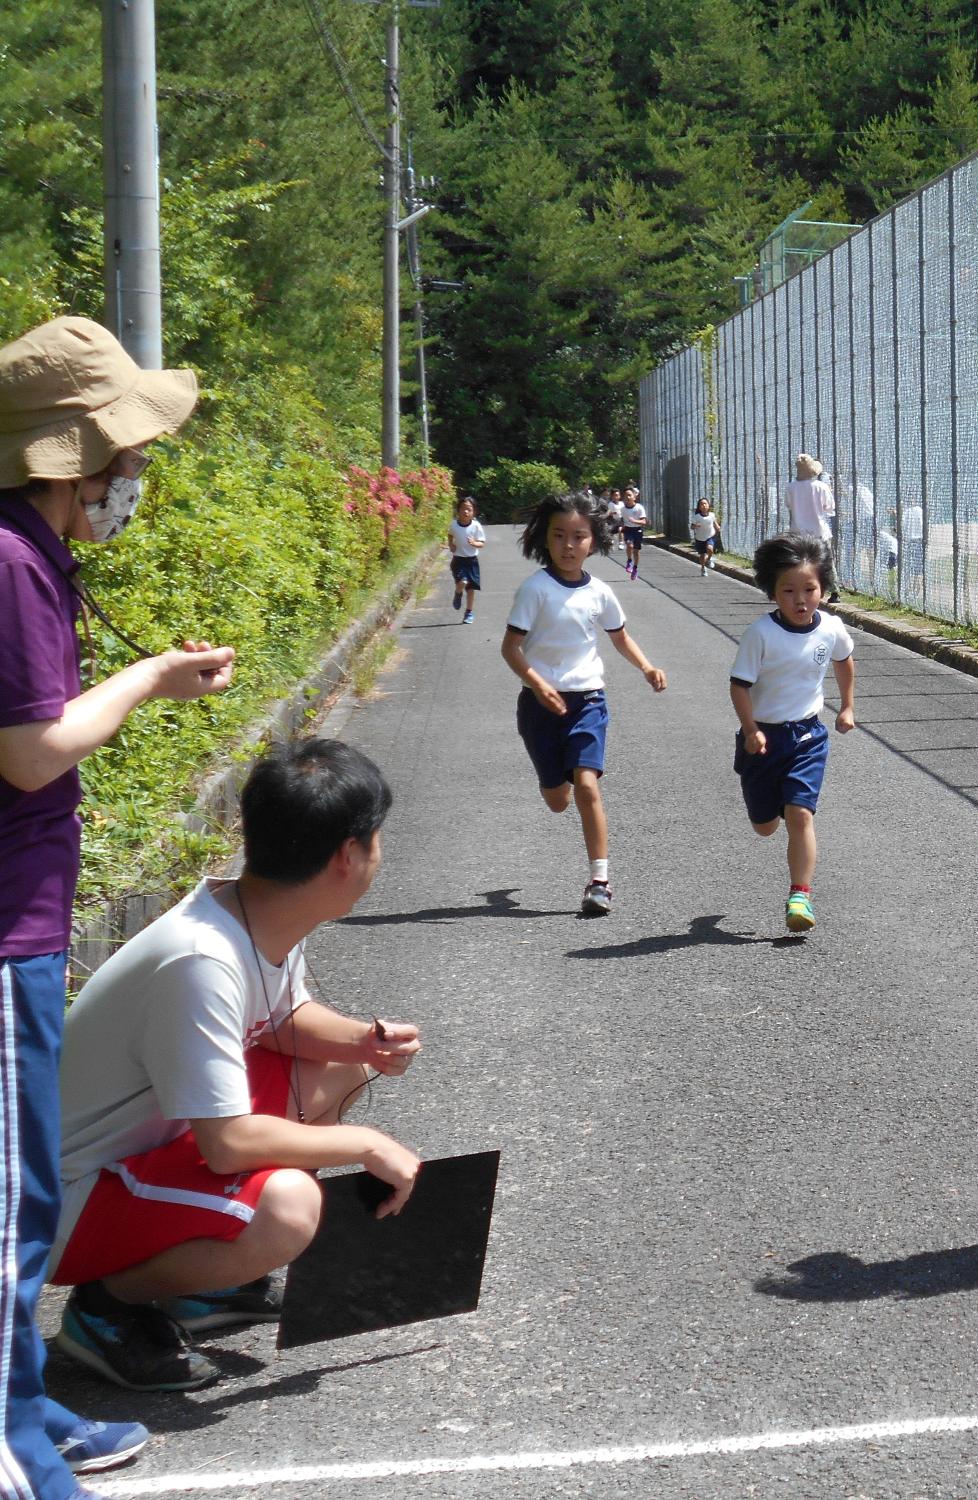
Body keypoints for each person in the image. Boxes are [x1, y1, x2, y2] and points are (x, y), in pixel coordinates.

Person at [0, 315, 239, 1491]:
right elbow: (33, 752)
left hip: (25, 918)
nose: (133, 476)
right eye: (126, 455)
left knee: (27, 1191)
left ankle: (26, 1415)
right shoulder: (4, 559)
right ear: (75, 454)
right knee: (8, 1207)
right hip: (2, 924)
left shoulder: (27, 553)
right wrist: (150, 676)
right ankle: (11, 1452)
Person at [49, 740, 422, 1397]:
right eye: (377, 839)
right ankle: (105, 1310)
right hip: (68, 1200)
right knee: (289, 1209)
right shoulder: (202, 959)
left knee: (339, 1070)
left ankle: (204, 1283)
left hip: (144, 1155)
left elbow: (279, 1020)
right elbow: (227, 1146)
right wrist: (366, 1144)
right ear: (348, 856)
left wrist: (364, 1044)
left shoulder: (253, 912)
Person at [502, 492, 667, 918]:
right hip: (539, 706)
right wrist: (537, 685)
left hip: (589, 700)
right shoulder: (535, 589)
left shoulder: (600, 592)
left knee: (588, 786)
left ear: (594, 540)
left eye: (578, 536)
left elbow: (619, 637)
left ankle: (600, 881)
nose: (568, 545)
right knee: (558, 799)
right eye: (559, 535)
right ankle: (553, 783)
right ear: (545, 539)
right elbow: (511, 648)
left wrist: (647, 667)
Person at [730, 533, 857, 933]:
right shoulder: (760, 634)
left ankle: (800, 894)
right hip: (762, 739)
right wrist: (750, 730)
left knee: (800, 814)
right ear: (772, 592)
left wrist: (848, 705)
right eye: (788, 591)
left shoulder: (831, 628)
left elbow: (845, 660)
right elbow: (739, 686)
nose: (800, 600)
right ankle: (771, 812)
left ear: (823, 589)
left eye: (809, 589)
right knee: (765, 825)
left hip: (808, 736)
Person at [786, 455, 838, 602]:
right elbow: (829, 507)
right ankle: (834, 591)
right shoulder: (821, 486)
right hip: (819, 530)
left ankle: (804, 589)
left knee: (801, 562)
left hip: (798, 532)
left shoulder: (791, 487)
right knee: (827, 560)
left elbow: (789, 505)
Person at [446, 495, 485, 623]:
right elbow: (450, 535)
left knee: (471, 588)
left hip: (472, 561)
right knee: (462, 582)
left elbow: (482, 543)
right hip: (458, 560)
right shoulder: (454, 525)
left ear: (474, 512)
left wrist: (474, 543)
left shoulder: (476, 526)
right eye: (463, 508)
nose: (466, 511)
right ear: (458, 510)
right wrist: (451, 544)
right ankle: (458, 593)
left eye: (469, 509)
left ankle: (469, 612)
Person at [618, 487, 647, 580]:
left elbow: (644, 522)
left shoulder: (639, 508)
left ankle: (635, 568)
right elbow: (622, 520)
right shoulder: (623, 509)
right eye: (625, 496)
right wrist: (621, 526)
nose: (627, 497)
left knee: (636, 551)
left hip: (637, 530)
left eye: (629, 495)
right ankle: (629, 561)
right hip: (628, 530)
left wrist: (635, 521)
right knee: (629, 545)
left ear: (634, 497)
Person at [690, 497, 721, 579]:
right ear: (699, 507)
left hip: (710, 536)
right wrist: (696, 526)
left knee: (710, 548)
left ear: (708, 505)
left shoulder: (712, 515)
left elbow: (715, 523)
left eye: (705, 503)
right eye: (701, 504)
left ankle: (710, 559)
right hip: (700, 538)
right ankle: (703, 568)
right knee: (702, 555)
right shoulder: (697, 517)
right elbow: (691, 527)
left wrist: (718, 527)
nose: (703, 505)